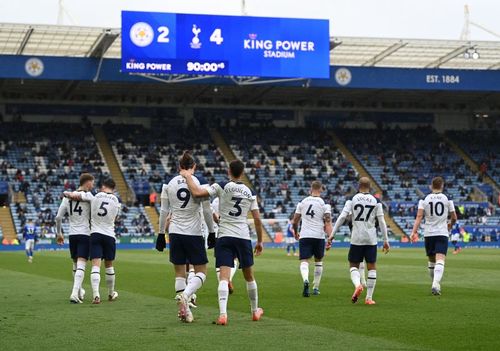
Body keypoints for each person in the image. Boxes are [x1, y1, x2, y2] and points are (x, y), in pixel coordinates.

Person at [180, 159, 264, 326]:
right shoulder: (250, 192)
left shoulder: (221, 186)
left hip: (225, 236)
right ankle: (255, 311)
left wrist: (188, 176)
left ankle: (223, 315)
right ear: (242, 173)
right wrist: (260, 241)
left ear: (229, 171)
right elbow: (256, 219)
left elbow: (197, 193)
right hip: (243, 237)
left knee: (224, 278)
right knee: (249, 277)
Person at [155, 151, 216, 323]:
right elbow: (206, 210)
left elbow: (164, 212)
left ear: (178, 167)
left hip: (174, 232)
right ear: (194, 167)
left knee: (179, 274)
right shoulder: (198, 184)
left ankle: (186, 312)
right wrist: (212, 232)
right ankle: (187, 296)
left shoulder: (168, 185)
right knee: (202, 272)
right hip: (194, 232)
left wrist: (161, 234)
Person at [329, 177, 390, 305]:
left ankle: (358, 285)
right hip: (371, 239)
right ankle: (369, 298)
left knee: (353, 265)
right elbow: (382, 221)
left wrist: (332, 234)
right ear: (370, 186)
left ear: (358, 186)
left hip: (356, 238)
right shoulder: (376, 201)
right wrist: (386, 240)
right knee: (372, 267)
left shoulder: (352, 199)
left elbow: (342, 217)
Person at [64, 178, 121, 304]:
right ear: (113, 188)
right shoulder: (117, 201)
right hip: (109, 234)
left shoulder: (93, 196)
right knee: (109, 265)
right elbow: (116, 218)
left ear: (103, 186)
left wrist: (66, 194)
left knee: (95, 265)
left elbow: (76, 195)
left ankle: (96, 295)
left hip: (95, 234)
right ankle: (111, 294)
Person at [411, 176, 457, 296]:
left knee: (431, 261)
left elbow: (419, 216)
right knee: (440, 259)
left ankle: (434, 283)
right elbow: (454, 217)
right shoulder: (448, 198)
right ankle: (436, 284)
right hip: (442, 233)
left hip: (428, 234)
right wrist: (450, 225)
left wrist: (414, 232)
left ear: (431, 186)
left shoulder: (424, 199)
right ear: (442, 186)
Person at [55, 173, 94, 304]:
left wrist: (59, 233)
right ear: (87, 183)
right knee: (82, 263)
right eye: (92, 183)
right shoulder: (88, 197)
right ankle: (73, 293)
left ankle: (79, 290)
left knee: (75, 263)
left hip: (72, 234)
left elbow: (58, 217)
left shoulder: (67, 198)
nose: (93, 185)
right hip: (85, 233)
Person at [292, 181, 332, 297]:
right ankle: (315, 287)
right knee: (318, 261)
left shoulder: (302, 203)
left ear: (310, 189)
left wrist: (296, 232)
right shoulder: (325, 205)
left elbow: (295, 221)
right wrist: (330, 238)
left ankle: (305, 280)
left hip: (305, 235)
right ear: (321, 190)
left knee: (304, 261)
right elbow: (328, 222)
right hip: (318, 236)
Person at [212, 196, 238, 294]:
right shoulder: (231, 197)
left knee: (219, 260)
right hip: (230, 230)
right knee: (234, 258)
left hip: (216, 232)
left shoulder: (215, 201)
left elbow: (215, 216)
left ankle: (222, 282)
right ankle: (228, 279)